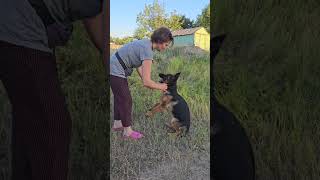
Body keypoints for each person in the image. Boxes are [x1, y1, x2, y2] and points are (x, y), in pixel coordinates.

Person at [0, 0, 104, 179]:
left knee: (32, 125)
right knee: (52, 128)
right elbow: (97, 17)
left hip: (21, 27)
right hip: (19, 27)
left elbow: (94, 16)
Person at [110, 27, 173, 140]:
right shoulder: (147, 51)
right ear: (160, 41)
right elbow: (146, 82)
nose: (166, 48)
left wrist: (149, 82)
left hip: (113, 66)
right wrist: (160, 86)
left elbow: (139, 66)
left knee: (119, 97)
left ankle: (117, 124)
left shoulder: (145, 44)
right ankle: (127, 131)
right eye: (166, 45)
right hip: (115, 68)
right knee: (126, 99)